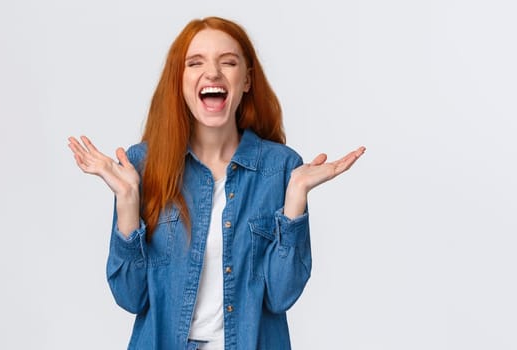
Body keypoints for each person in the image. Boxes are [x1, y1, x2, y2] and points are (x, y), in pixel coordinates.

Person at [67, 16, 365, 350]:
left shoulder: (281, 168)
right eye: (195, 63)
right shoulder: (142, 166)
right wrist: (127, 197)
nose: (212, 73)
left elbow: (281, 296)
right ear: (180, 81)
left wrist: (295, 197)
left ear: (247, 80)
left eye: (228, 62)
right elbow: (130, 297)